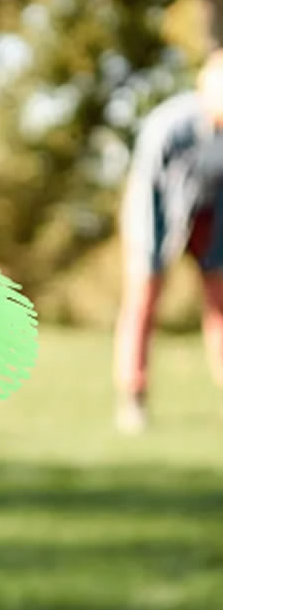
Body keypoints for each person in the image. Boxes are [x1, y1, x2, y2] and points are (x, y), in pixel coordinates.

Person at [113, 48, 223, 433]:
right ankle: (133, 395)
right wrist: (152, 253)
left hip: (211, 217)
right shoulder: (169, 126)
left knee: (220, 306)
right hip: (155, 211)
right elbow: (147, 192)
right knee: (144, 299)